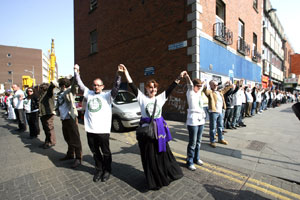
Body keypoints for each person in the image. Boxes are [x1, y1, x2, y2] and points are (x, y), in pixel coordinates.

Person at [122, 64, 183, 190]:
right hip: (147, 133)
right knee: (150, 157)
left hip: (159, 131)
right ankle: (153, 180)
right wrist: (126, 72)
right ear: (146, 89)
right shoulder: (142, 98)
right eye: (150, 88)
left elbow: (171, 87)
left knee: (161, 155)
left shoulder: (160, 98)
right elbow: (132, 84)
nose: (153, 90)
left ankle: (164, 175)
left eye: (155, 88)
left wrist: (179, 77)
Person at [74, 64, 122, 182]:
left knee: (105, 152)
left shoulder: (107, 96)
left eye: (98, 85)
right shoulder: (89, 93)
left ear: (102, 86)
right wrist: (76, 72)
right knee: (95, 152)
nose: (96, 87)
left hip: (103, 131)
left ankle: (107, 170)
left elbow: (116, 87)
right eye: (94, 85)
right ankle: (99, 169)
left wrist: (118, 74)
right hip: (90, 130)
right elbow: (80, 84)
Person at [54, 76, 82, 168]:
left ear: (64, 85)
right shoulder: (60, 93)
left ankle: (78, 158)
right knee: (67, 138)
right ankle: (70, 154)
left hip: (71, 118)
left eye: (61, 85)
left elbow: (74, 87)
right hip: (63, 118)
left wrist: (76, 74)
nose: (60, 86)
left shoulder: (69, 91)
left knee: (75, 139)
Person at [183, 71, 206, 171]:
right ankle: (190, 161)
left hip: (201, 119)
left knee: (198, 141)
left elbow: (203, 84)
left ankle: (196, 158)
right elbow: (189, 82)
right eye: (198, 86)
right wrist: (187, 76)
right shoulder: (190, 91)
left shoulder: (199, 92)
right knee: (192, 142)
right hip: (193, 120)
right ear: (194, 85)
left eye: (200, 86)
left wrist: (203, 83)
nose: (199, 88)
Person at [203, 80, 232, 148]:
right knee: (213, 127)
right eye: (214, 85)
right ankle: (212, 141)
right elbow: (205, 90)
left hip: (220, 111)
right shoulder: (210, 92)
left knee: (220, 126)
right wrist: (204, 85)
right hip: (213, 112)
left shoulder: (219, 92)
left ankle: (221, 139)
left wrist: (229, 83)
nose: (216, 86)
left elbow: (227, 89)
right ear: (211, 85)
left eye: (216, 85)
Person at [38, 82, 57, 149]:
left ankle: (52, 142)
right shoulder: (41, 94)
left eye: (41, 88)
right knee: (46, 128)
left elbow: (50, 89)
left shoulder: (48, 93)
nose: (40, 89)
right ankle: (47, 141)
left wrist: (52, 85)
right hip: (43, 113)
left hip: (48, 113)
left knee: (49, 128)